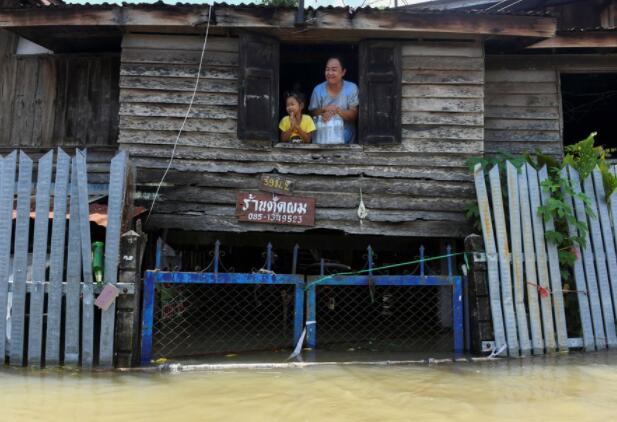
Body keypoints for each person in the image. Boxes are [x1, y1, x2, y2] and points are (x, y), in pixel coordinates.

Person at [309, 57, 359, 144]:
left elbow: (354, 115)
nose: (330, 73)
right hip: (322, 134)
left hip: (345, 135)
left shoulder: (351, 88)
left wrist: (337, 111)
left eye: (334, 70)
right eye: (327, 69)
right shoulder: (318, 89)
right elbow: (312, 113)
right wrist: (323, 110)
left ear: (343, 72)